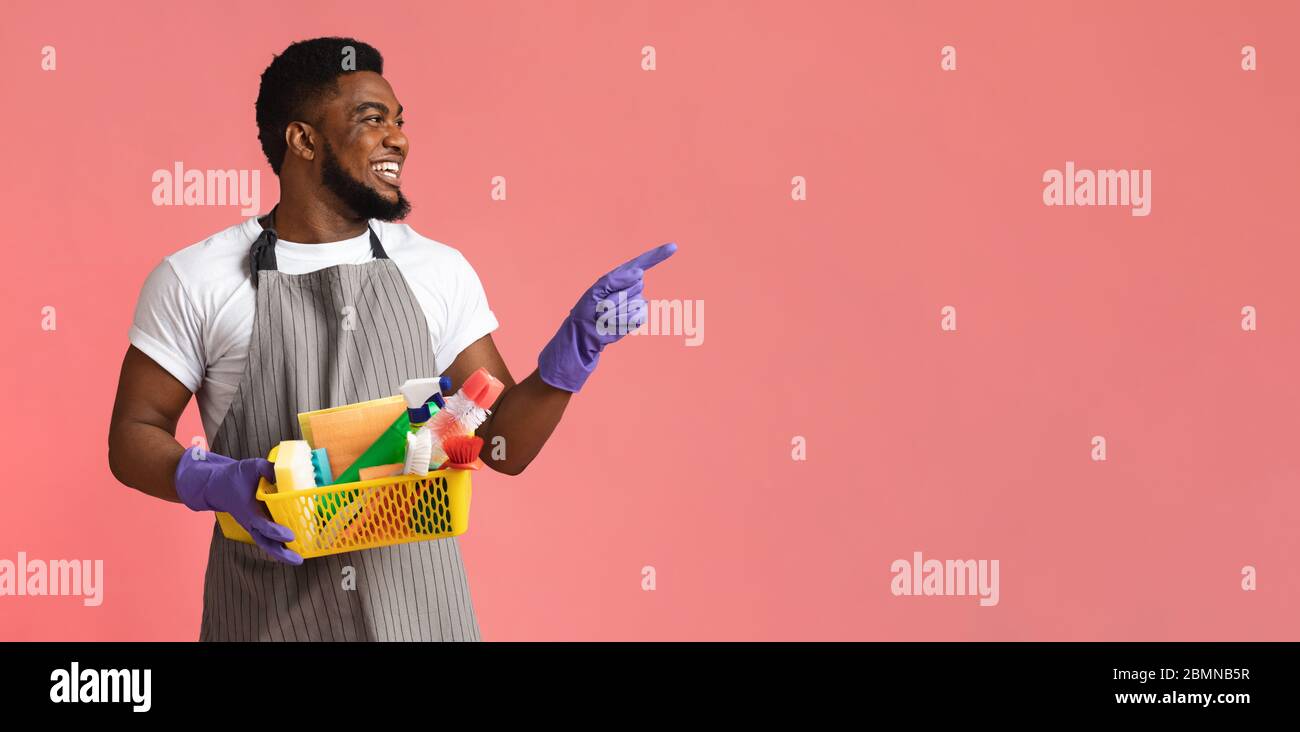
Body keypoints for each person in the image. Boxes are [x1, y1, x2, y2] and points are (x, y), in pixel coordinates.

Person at [107, 37, 675, 641]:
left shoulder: (437, 269)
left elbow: (502, 447)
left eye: (400, 121)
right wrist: (210, 480)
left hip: (424, 622)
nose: (398, 139)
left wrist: (570, 360)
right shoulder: (197, 278)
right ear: (303, 140)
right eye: (372, 119)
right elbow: (132, 433)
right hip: (264, 620)